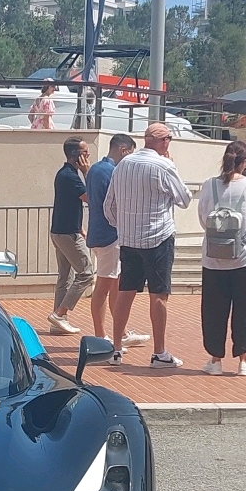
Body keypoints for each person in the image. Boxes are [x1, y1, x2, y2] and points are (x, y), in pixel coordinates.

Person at [104, 121, 192, 367]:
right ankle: (159, 352)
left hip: (129, 239)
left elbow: (108, 206)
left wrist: (121, 226)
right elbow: (184, 199)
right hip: (158, 237)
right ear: (163, 142)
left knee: (125, 291)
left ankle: (117, 349)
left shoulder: (122, 165)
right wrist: (171, 164)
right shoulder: (164, 165)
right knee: (159, 294)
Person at [197, 140, 246, 376]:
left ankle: (215, 359)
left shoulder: (210, 185)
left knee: (213, 310)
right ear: (245, 161)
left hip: (214, 258)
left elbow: (203, 218)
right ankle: (244, 360)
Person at [84, 133, 148, 347]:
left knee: (114, 285)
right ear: (123, 150)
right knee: (104, 285)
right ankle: (102, 336)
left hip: (101, 234)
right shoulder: (113, 171)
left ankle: (118, 332)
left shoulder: (94, 169)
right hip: (110, 235)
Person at [48, 137, 93, 334]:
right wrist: (87, 173)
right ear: (75, 155)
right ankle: (60, 313)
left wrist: (80, 227)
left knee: (65, 276)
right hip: (67, 235)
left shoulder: (65, 174)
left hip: (62, 231)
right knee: (86, 273)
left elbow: (69, 205)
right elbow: (91, 198)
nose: (88, 155)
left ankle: (58, 322)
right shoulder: (71, 176)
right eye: (85, 152)